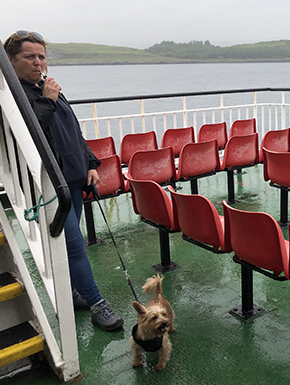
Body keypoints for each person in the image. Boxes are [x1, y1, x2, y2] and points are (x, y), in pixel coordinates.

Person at [4, 30, 124, 332]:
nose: (38, 62)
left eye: (41, 56)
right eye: (30, 57)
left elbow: (73, 128)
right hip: (48, 187)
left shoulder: (48, 87)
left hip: (73, 177)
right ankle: (97, 303)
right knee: (75, 247)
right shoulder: (12, 96)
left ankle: (74, 293)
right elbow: (30, 135)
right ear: (10, 60)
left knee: (72, 245)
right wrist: (48, 100)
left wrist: (90, 163)